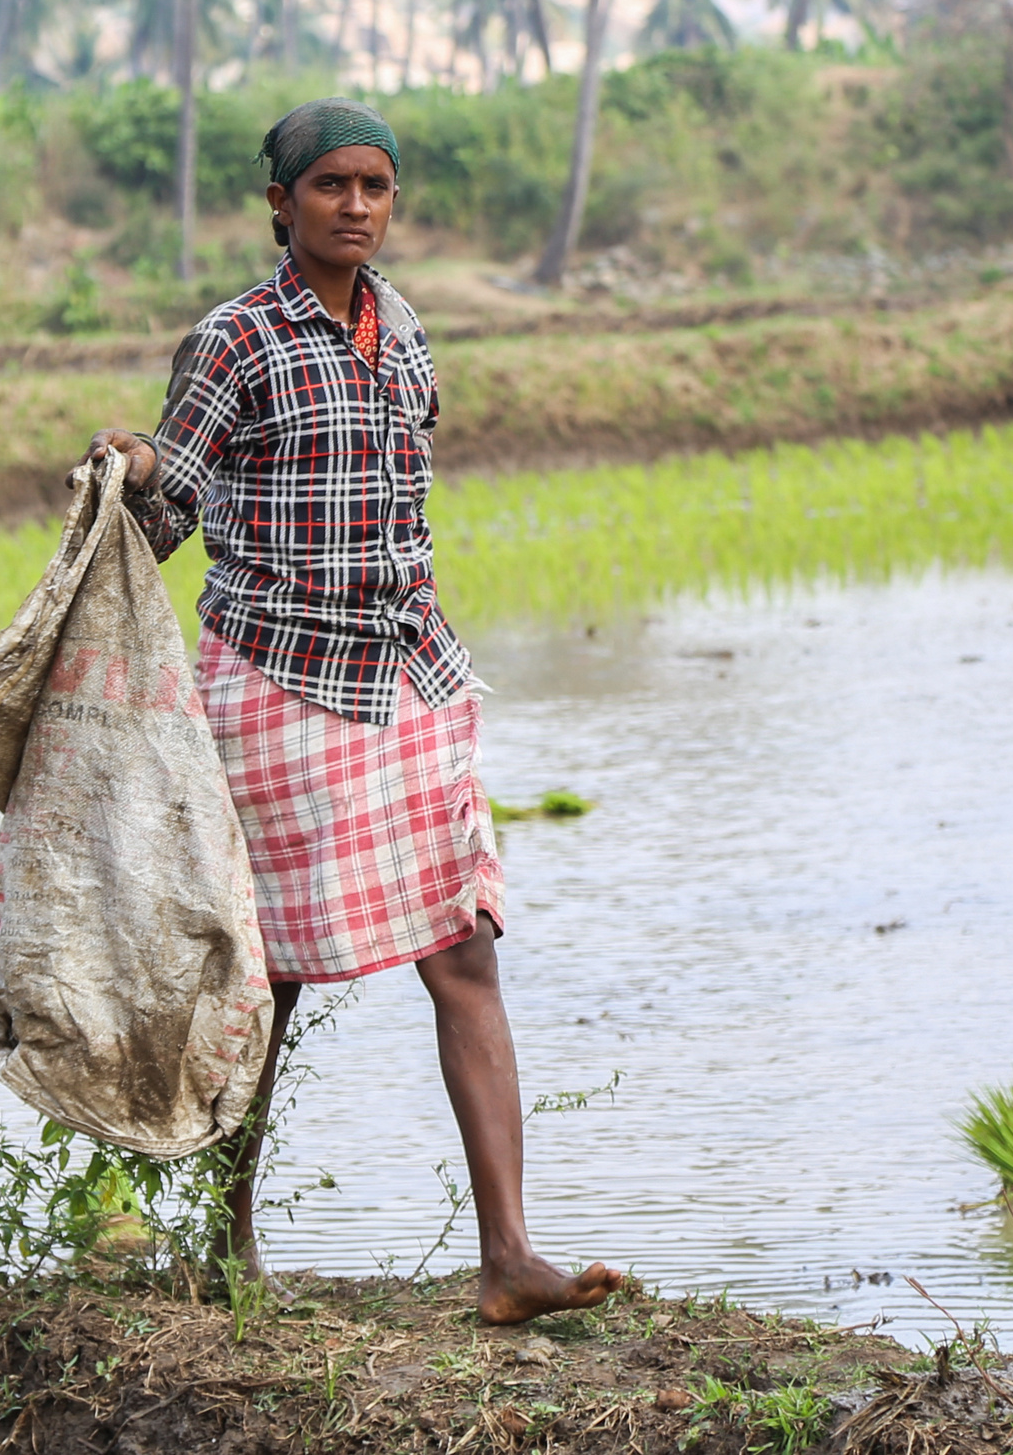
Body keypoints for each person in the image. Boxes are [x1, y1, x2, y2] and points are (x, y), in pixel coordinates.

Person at [79, 98, 620, 1325]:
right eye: (330, 186)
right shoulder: (233, 339)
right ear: (281, 205)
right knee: (267, 978)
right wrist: (137, 473)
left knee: (463, 948)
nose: (356, 206)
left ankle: (508, 1259)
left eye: (374, 186)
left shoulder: (404, 330)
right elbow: (173, 508)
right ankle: (226, 1247)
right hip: (276, 679)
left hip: (409, 670)